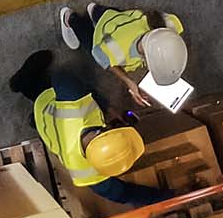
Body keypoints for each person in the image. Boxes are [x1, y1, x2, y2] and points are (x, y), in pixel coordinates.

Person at [9, 48, 171, 206]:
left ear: (106, 130)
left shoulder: (74, 102)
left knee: (46, 88)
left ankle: (23, 83)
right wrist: (166, 199)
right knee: (46, 119)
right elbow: (123, 194)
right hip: (49, 134)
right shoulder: (88, 175)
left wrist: (106, 107)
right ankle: (34, 120)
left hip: (46, 105)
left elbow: (61, 77)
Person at [58, 3, 188, 106]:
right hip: (103, 33)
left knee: (112, 16)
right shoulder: (117, 48)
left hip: (123, 20)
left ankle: (96, 10)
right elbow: (100, 56)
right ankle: (70, 19)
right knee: (89, 43)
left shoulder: (169, 27)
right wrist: (128, 82)